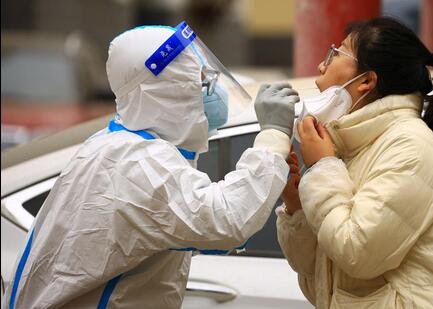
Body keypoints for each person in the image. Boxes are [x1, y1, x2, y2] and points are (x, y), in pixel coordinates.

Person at [3, 22, 299, 308]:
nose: (213, 91)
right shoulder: (136, 166)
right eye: (201, 81)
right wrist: (272, 137)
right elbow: (227, 221)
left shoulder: (121, 146)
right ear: (166, 93)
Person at [277, 17, 433, 308]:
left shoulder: (410, 146)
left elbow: (356, 252)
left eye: (336, 53)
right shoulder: (351, 147)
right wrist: (298, 206)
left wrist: (322, 169)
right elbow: (317, 275)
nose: (320, 67)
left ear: (366, 81)